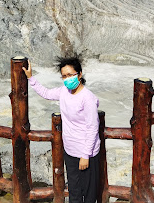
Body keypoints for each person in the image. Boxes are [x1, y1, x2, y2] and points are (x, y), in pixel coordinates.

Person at [23, 56, 100, 203]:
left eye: (70, 75)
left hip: (86, 153)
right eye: (64, 76)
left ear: (79, 74)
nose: (67, 79)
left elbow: (92, 128)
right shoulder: (64, 91)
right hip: (70, 151)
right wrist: (30, 78)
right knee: (74, 191)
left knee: (89, 194)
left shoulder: (87, 98)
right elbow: (45, 93)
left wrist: (85, 155)